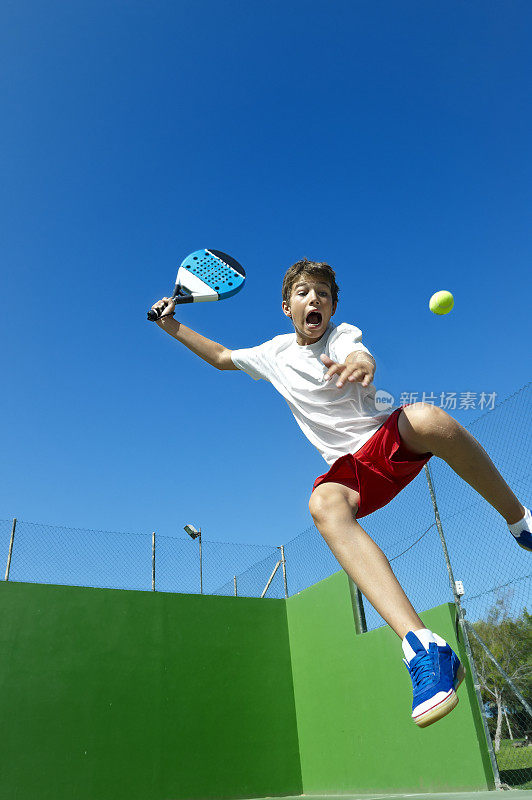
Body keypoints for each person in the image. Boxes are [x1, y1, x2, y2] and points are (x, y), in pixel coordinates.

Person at [150, 257, 531, 727]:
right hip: (352, 472)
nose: (316, 301)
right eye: (306, 293)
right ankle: (422, 647)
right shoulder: (272, 353)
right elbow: (224, 358)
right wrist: (172, 326)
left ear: (332, 308)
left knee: (429, 417)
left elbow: (358, 352)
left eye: (324, 296)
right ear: (287, 305)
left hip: (387, 441)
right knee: (322, 504)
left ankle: (520, 520)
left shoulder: (340, 335)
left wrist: (359, 363)